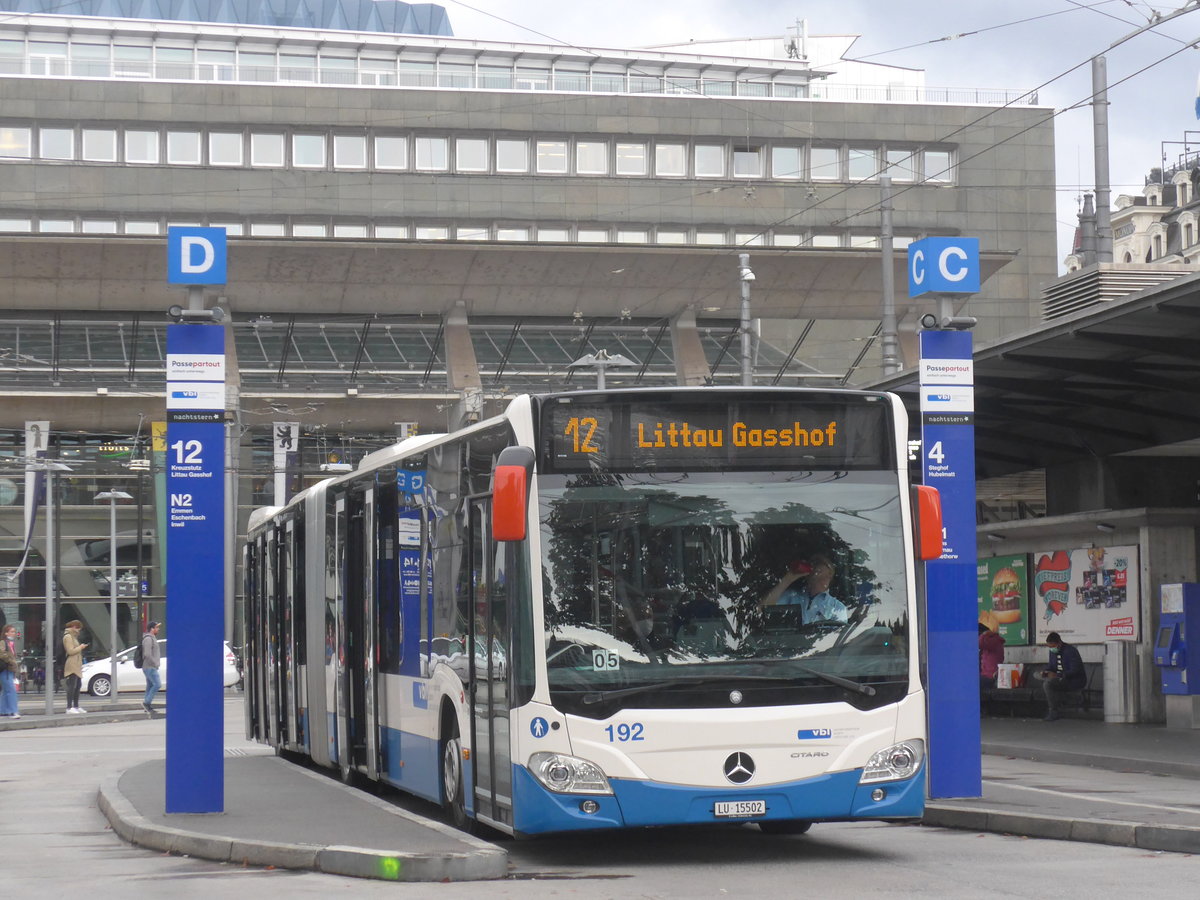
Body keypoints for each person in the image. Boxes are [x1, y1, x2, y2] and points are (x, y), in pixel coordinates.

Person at [763, 553, 848, 625]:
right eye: (818, 572)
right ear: (808, 575)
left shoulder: (837, 608)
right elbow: (762, 609)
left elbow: (836, 639)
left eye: (828, 575)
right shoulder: (791, 596)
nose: (823, 579)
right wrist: (789, 578)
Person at [1038, 631, 1085, 721]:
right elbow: (1052, 666)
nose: (1051, 649)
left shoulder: (1071, 651)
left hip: (1073, 680)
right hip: (1058, 678)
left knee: (1047, 684)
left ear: (1059, 643)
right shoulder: (1052, 652)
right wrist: (1046, 671)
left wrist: (1058, 675)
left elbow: (1075, 670)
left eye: (1052, 646)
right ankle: (1054, 702)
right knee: (1037, 675)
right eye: (1049, 647)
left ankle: (1053, 711)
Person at [62, 619, 89, 714]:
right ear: (74, 627)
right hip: (72, 663)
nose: (79, 631)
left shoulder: (73, 636)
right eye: (78, 629)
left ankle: (76, 706)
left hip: (77, 663)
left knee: (78, 685)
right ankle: (69, 707)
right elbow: (70, 651)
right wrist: (80, 647)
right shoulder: (68, 637)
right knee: (72, 685)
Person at [141, 621, 162, 717]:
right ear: (152, 629)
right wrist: (155, 663)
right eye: (156, 627)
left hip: (150, 666)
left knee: (150, 686)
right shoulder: (148, 639)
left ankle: (146, 706)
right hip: (150, 667)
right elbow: (147, 654)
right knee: (157, 684)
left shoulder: (152, 638)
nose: (158, 629)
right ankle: (146, 703)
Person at [978, 621, 1006, 692]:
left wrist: (984, 635)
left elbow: (979, 643)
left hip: (990, 676)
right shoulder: (990, 642)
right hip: (985, 675)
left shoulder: (993, 641)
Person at [0, 624, 20, 718]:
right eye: (11, 631)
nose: (14, 633)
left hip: (9, 670)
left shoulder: (11, 643)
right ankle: (13, 711)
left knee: (6, 690)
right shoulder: (3, 642)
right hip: (6, 669)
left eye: (14, 632)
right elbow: (1, 653)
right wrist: (11, 660)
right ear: (6, 633)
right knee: (11, 690)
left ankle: (3, 710)